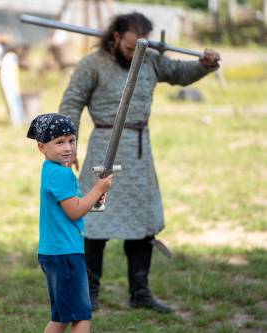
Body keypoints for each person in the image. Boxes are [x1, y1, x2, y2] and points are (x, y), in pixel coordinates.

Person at [58, 12, 221, 313]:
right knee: (95, 222)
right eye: (130, 47)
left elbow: (179, 73)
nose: (135, 54)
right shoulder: (91, 64)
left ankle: (140, 291)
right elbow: (71, 104)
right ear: (116, 37)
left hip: (138, 152)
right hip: (103, 152)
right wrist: (67, 149)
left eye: (139, 48)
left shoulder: (150, 59)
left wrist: (204, 64)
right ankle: (89, 292)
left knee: (143, 224)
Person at [27, 113, 112, 333]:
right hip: (66, 253)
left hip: (55, 252)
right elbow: (75, 212)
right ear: (42, 147)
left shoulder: (52, 170)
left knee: (61, 316)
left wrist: (93, 199)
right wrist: (98, 189)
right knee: (81, 316)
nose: (68, 147)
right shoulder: (61, 175)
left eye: (71, 140)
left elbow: (72, 206)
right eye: (59, 142)